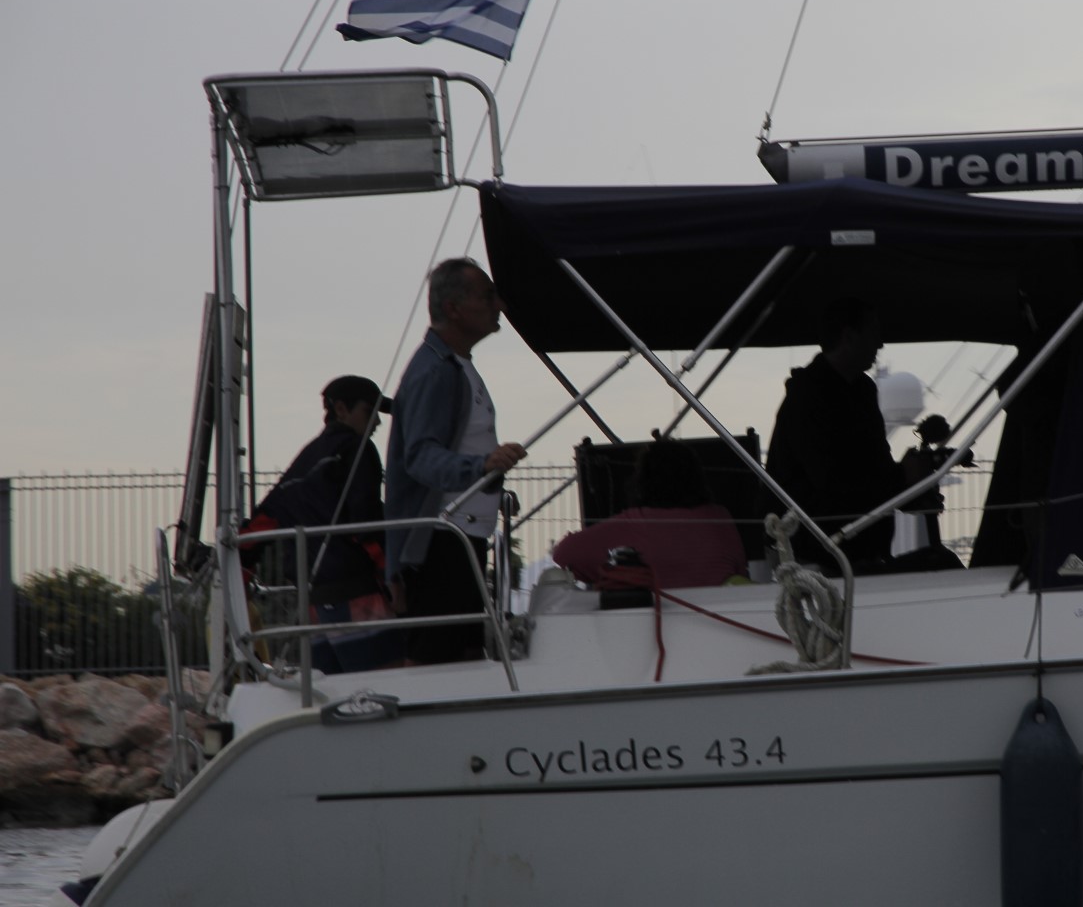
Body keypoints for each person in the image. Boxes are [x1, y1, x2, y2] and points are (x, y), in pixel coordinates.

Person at [385, 259, 527, 664]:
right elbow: (420, 457)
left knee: (462, 660)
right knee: (442, 665)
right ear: (454, 308)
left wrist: (487, 476)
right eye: (488, 295)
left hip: (459, 540)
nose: (499, 304)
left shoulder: (453, 366)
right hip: (441, 545)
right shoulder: (436, 372)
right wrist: (481, 467)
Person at [242, 375, 401, 672]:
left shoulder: (306, 458)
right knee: (385, 684)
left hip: (315, 604)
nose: (378, 422)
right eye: (370, 412)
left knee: (330, 691)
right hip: (358, 594)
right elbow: (365, 522)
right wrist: (393, 579)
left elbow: (264, 522)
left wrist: (237, 571)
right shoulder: (358, 448)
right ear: (341, 409)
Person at [765, 298, 934, 572]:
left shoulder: (862, 390)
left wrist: (908, 487)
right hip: (820, 553)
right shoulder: (808, 397)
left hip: (860, 547)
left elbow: (872, 468)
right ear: (849, 336)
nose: (880, 344)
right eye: (873, 333)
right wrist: (903, 478)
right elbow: (833, 480)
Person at [551, 438, 748, 588]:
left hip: (650, 623)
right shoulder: (720, 517)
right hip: (723, 621)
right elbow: (740, 572)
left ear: (641, 480)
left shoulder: (634, 523)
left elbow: (564, 554)